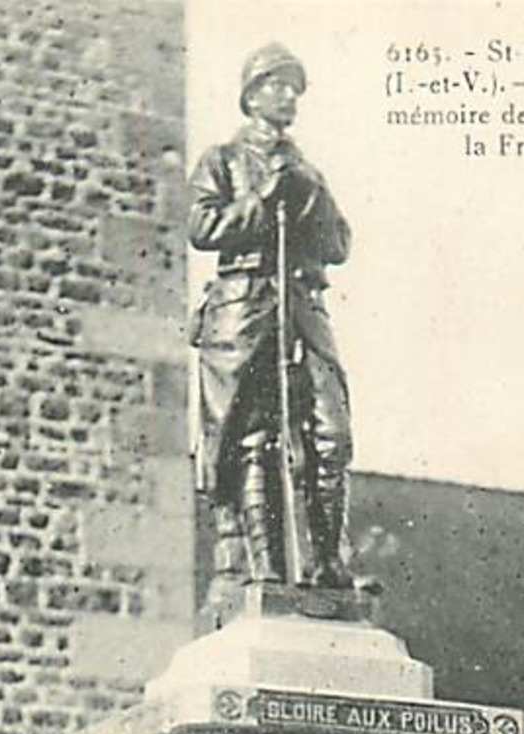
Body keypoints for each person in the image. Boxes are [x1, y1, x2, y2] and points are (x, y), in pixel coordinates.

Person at [188, 43, 354, 592]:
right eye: (278, 85)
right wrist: (262, 196)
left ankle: (328, 562)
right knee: (252, 435)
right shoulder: (222, 160)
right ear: (252, 95)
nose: (289, 96)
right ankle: (265, 568)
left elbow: (339, 244)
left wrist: (310, 197)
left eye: (294, 88)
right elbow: (204, 227)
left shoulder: (307, 170)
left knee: (330, 434)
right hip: (245, 306)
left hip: (302, 306)